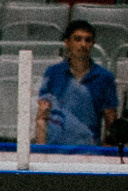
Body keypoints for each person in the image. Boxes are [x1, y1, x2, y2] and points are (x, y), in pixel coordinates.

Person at [34, 18, 118, 147]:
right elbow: (42, 116)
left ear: (93, 44)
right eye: (78, 39)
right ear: (67, 42)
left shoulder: (105, 78)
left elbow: (110, 120)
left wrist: (107, 157)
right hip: (54, 150)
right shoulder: (52, 73)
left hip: (89, 151)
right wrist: (41, 151)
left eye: (88, 40)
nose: (83, 44)